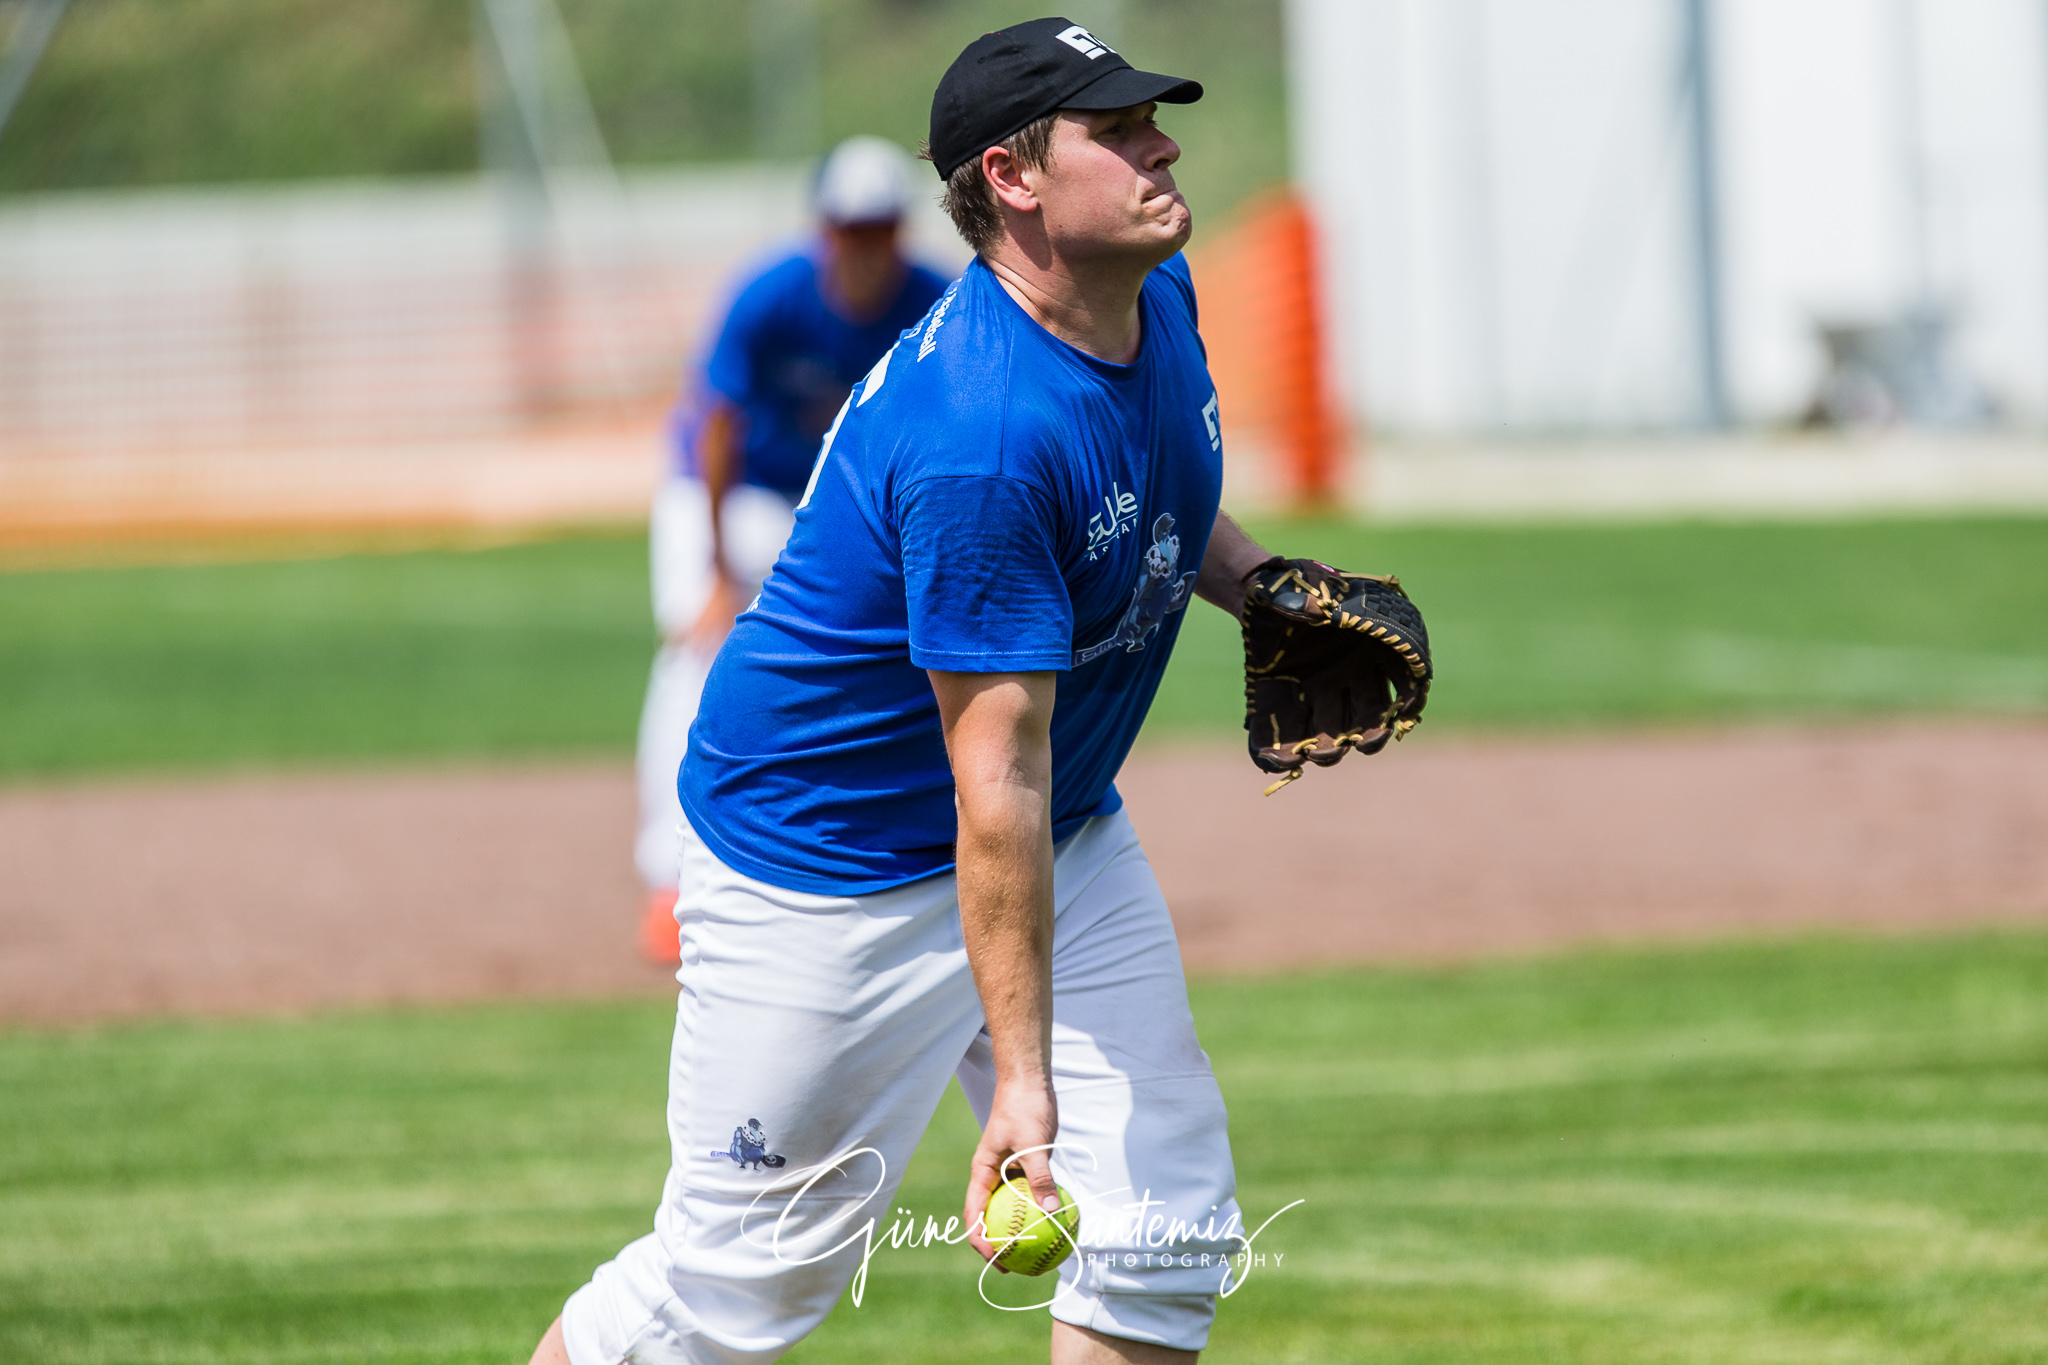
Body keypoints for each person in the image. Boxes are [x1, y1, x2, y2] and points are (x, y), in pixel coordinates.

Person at [538, 17, 1287, 1363]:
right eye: (1115, 131)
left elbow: (1155, 495)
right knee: (737, 1287)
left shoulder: (1152, 302)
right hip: (826, 868)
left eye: (1150, 117)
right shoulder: (982, 435)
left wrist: (1267, 589)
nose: (1161, 142)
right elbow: (988, 778)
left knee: (1158, 1224)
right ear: (1010, 177)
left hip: (1046, 829)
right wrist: (1024, 1087)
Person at [634, 135, 953, 961]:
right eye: (850, 228)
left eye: (880, 227)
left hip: (829, 504)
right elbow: (716, 427)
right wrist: (713, 572)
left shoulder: (932, 300)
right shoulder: (770, 297)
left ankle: (877, 854)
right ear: (823, 230)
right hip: (733, 491)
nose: (865, 245)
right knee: (701, 648)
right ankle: (667, 880)